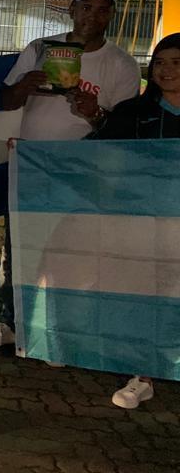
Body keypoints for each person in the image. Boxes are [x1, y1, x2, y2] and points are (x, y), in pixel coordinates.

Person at [0, 0, 140, 354]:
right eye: (86, 7)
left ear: (111, 15)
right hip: (31, 163)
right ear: (72, 9)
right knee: (20, 247)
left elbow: (123, 129)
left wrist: (95, 113)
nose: (93, 16)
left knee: (73, 252)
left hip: (83, 169)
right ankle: (12, 323)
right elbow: (5, 101)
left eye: (102, 9)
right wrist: (24, 86)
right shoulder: (39, 49)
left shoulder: (122, 64)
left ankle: (59, 332)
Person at [92, 32, 180, 409]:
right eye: (160, 62)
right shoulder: (133, 112)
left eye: (176, 63)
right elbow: (95, 152)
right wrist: (33, 155)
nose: (166, 70)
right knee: (148, 296)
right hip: (146, 224)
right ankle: (143, 375)